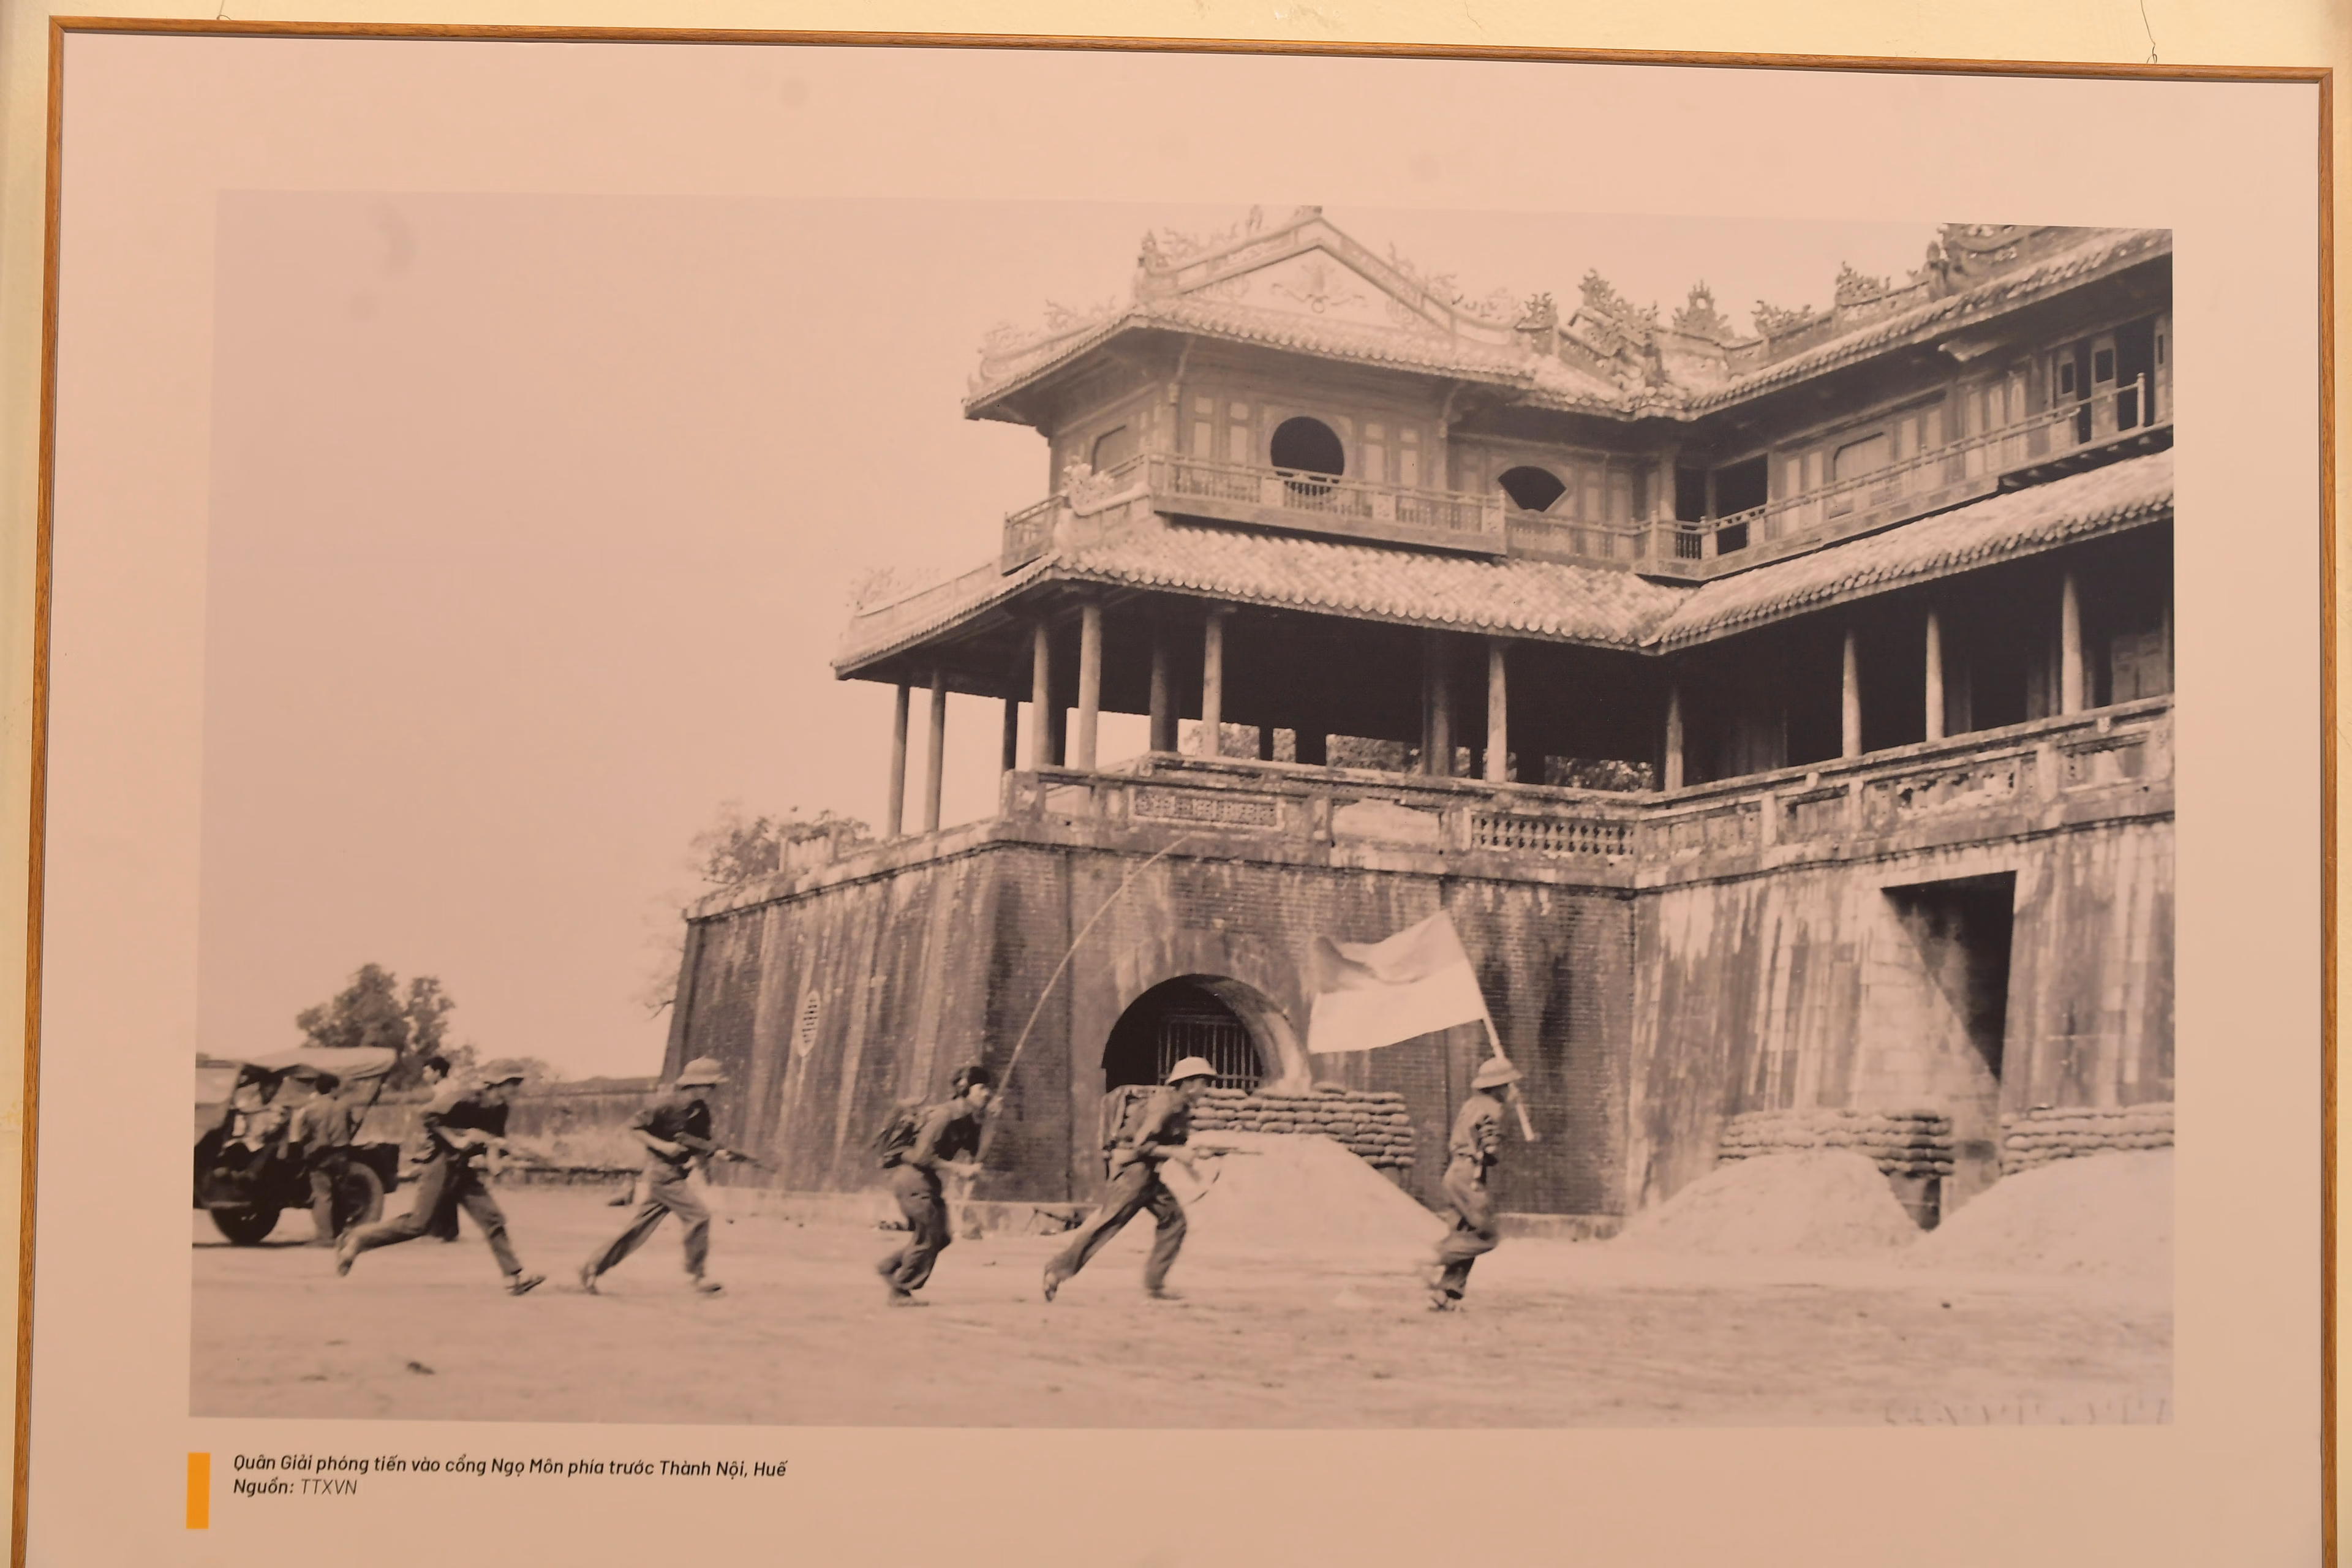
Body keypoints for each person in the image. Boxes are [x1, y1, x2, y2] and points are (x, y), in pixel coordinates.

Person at [336, 1061, 544, 1295]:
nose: (517, 1088)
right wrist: (456, 1140)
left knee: (492, 1219)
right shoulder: (466, 1098)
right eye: (512, 1083)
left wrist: (500, 1160)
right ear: (497, 1083)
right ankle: (358, 1238)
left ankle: (513, 1279)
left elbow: (493, 1146)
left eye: (517, 1083)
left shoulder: (500, 1110)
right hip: (440, 1164)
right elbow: (427, 1114)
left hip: (463, 1168)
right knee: (418, 1225)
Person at [1041, 1057, 1215, 1303]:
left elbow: (1172, 1146)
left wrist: (1193, 1162)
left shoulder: (1181, 1108)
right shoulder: (1165, 1104)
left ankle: (1155, 1284)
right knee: (1108, 1223)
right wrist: (1177, 1153)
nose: (1205, 1089)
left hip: (1148, 1175)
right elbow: (1141, 1144)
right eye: (1203, 1083)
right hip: (1134, 1173)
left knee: (1174, 1220)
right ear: (1188, 1084)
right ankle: (1056, 1270)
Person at [579, 1057, 745, 1296]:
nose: (713, 1090)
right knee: (699, 1216)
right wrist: (663, 1146)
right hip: (662, 1174)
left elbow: (701, 1143)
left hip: (677, 1173)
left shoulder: (700, 1111)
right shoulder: (667, 1105)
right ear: (696, 1084)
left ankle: (592, 1267)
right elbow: (634, 1127)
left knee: (637, 1230)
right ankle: (697, 1277)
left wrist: (713, 1154)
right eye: (711, 1085)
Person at [875, 1064, 993, 1306]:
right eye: (982, 1088)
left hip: (928, 1182)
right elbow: (921, 1156)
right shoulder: (944, 1116)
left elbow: (978, 1155)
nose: (987, 1093)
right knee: (929, 1236)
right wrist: (959, 1169)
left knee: (941, 1237)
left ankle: (890, 1266)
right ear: (964, 1089)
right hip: (912, 1180)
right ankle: (900, 1291)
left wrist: (992, 1120)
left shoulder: (966, 1121)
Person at [1426, 1057, 1521, 1311]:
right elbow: (1490, 1149)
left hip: (1456, 1172)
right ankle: (1435, 1256)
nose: (1510, 1090)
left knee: (1466, 1236)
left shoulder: (1471, 1105)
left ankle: (1446, 1294)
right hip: (1470, 1174)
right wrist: (1502, 1133)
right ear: (1498, 1087)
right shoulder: (1493, 1109)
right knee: (1486, 1235)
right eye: (1508, 1085)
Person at [288, 1071, 362, 1246]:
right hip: (341, 1155)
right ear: (333, 1089)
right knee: (341, 1194)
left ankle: (325, 1237)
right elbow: (352, 1124)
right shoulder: (344, 1106)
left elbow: (302, 1135)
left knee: (323, 1196)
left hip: (319, 1157)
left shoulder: (309, 1109)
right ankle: (340, 1233)